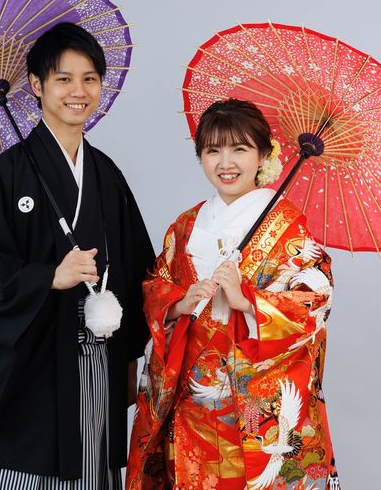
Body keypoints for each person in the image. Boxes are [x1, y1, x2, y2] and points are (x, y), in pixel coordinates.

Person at [0, 22, 155, 489]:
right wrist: (48, 277)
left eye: (90, 79)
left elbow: (139, 270)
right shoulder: (6, 175)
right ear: (36, 85)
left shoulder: (106, 174)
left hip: (97, 361)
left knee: (91, 471)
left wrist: (133, 353)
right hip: (32, 367)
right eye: (63, 79)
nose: (78, 91)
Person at [127, 99, 339, 489]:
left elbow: (314, 300)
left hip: (251, 402)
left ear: (263, 155)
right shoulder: (186, 225)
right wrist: (180, 303)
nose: (226, 163)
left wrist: (247, 302)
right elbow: (155, 284)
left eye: (239, 149)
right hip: (189, 399)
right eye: (213, 151)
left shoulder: (288, 228)